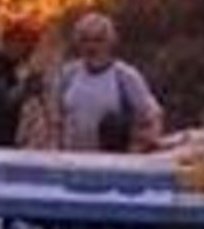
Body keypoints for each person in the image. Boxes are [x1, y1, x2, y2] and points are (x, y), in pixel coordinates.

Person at [55, 12, 163, 152]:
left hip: (111, 166)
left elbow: (151, 117)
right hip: (74, 163)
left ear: (110, 42)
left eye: (98, 40)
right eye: (85, 40)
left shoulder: (125, 77)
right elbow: (59, 120)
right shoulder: (69, 75)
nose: (91, 46)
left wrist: (140, 146)